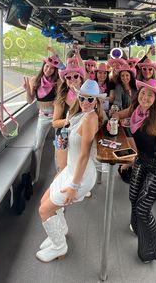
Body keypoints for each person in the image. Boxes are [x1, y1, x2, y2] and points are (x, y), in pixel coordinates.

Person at [36, 80, 106, 262]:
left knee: (44, 210)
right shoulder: (77, 115)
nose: (85, 102)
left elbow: (83, 155)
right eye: (82, 98)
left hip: (80, 176)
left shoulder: (90, 118)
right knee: (45, 201)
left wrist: (74, 185)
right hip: (71, 169)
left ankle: (59, 246)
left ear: (96, 101)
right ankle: (58, 233)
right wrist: (63, 170)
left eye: (90, 99)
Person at [112, 79, 156, 262]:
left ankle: (153, 245)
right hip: (141, 161)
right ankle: (137, 227)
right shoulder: (135, 110)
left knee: (143, 209)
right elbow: (119, 114)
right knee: (132, 197)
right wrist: (110, 116)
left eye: (150, 95)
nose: (145, 97)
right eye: (143, 92)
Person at [23, 54, 61, 183]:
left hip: (57, 116)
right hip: (43, 116)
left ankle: (59, 177)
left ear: (55, 70)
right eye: (47, 66)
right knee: (37, 146)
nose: (48, 69)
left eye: (52, 68)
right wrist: (28, 90)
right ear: (43, 66)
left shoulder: (58, 82)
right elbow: (29, 101)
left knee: (59, 147)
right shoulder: (35, 80)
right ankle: (34, 178)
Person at [52, 63, 85, 172]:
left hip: (81, 136)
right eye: (68, 77)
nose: (72, 79)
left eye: (75, 76)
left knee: (79, 170)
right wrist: (69, 120)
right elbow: (55, 123)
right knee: (64, 171)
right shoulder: (61, 98)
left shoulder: (87, 96)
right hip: (64, 137)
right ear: (65, 81)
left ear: (80, 79)